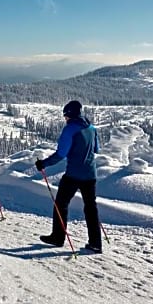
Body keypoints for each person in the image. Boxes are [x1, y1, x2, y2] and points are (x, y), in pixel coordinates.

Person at [35, 100, 103, 253]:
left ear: (70, 114)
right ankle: (96, 243)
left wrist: (43, 164)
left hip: (73, 174)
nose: (64, 118)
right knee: (91, 207)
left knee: (61, 204)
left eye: (65, 115)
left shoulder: (70, 129)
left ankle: (58, 237)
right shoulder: (91, 128)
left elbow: (61, 154)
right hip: (91, 174)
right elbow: (96, 149)